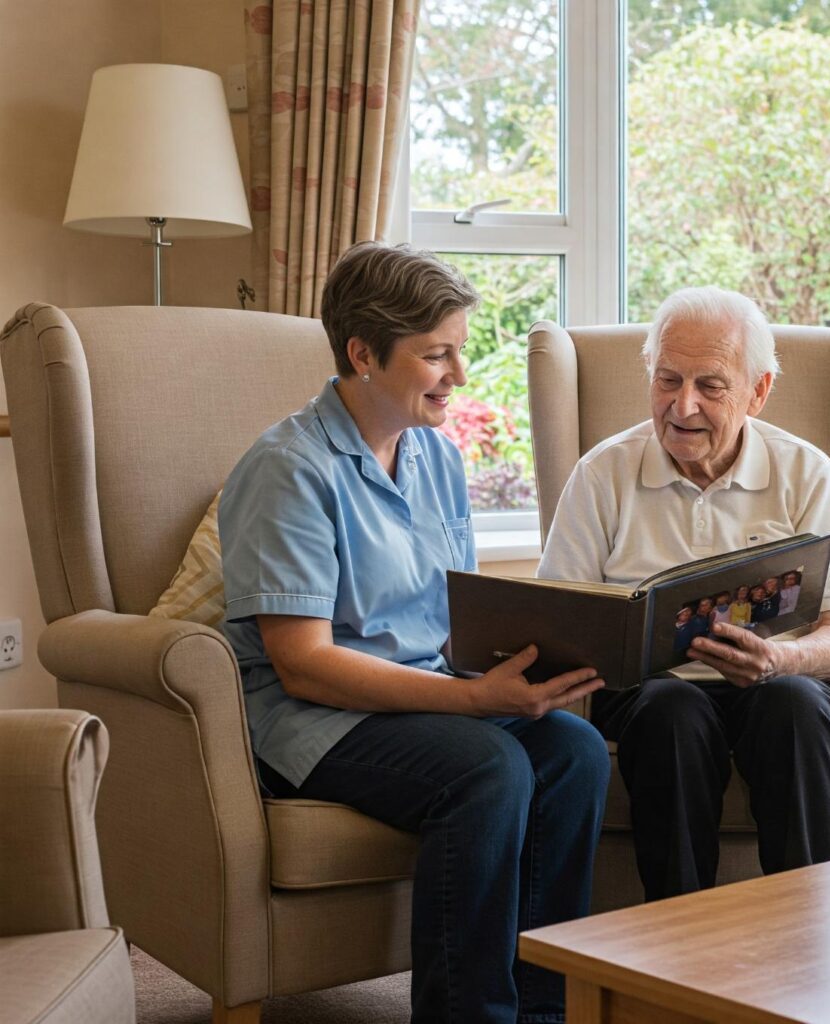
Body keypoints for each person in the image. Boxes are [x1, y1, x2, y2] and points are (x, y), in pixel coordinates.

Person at [219, 242, 610, 1024]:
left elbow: (449, 623)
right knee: (488, 767)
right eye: (437, 355)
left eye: (459, 351)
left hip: (424, 694)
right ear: (364, 353)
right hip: (315, 720)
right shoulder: (288, 468)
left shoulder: (436, 456)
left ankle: (543, 1011)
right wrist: (472, 705)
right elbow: (303, 665)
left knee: (576, 751)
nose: (459, 376)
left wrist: (521, 667)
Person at [537, 285, 830, 902]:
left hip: (780, 684)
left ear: (758, 392)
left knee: (792, 706)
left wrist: (781, 659)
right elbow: (560, 623)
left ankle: (808, 936)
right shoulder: (602, 473)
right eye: (667, 380)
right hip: (650, 698)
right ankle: (679, 941)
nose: (681, 406)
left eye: (710, 386)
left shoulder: (806, 472)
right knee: (671, 711)